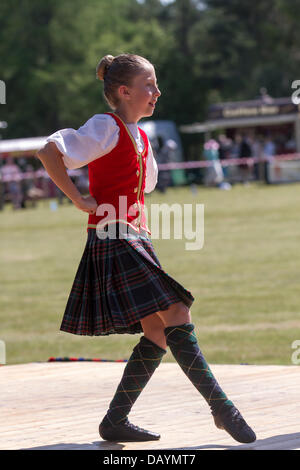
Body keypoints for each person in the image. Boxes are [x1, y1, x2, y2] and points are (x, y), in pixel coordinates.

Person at [36, 53, 256, 444]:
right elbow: (50, 152)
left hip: (134, 236)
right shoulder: (106, 125)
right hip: (112, 236)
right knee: (177, 310)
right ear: (124, 92)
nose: (157, 91)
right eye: (149, 85)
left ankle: (115, 421)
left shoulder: (139, 135)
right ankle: (223, 408)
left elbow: (145, 185)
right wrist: (77, 199)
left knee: (157, 332)